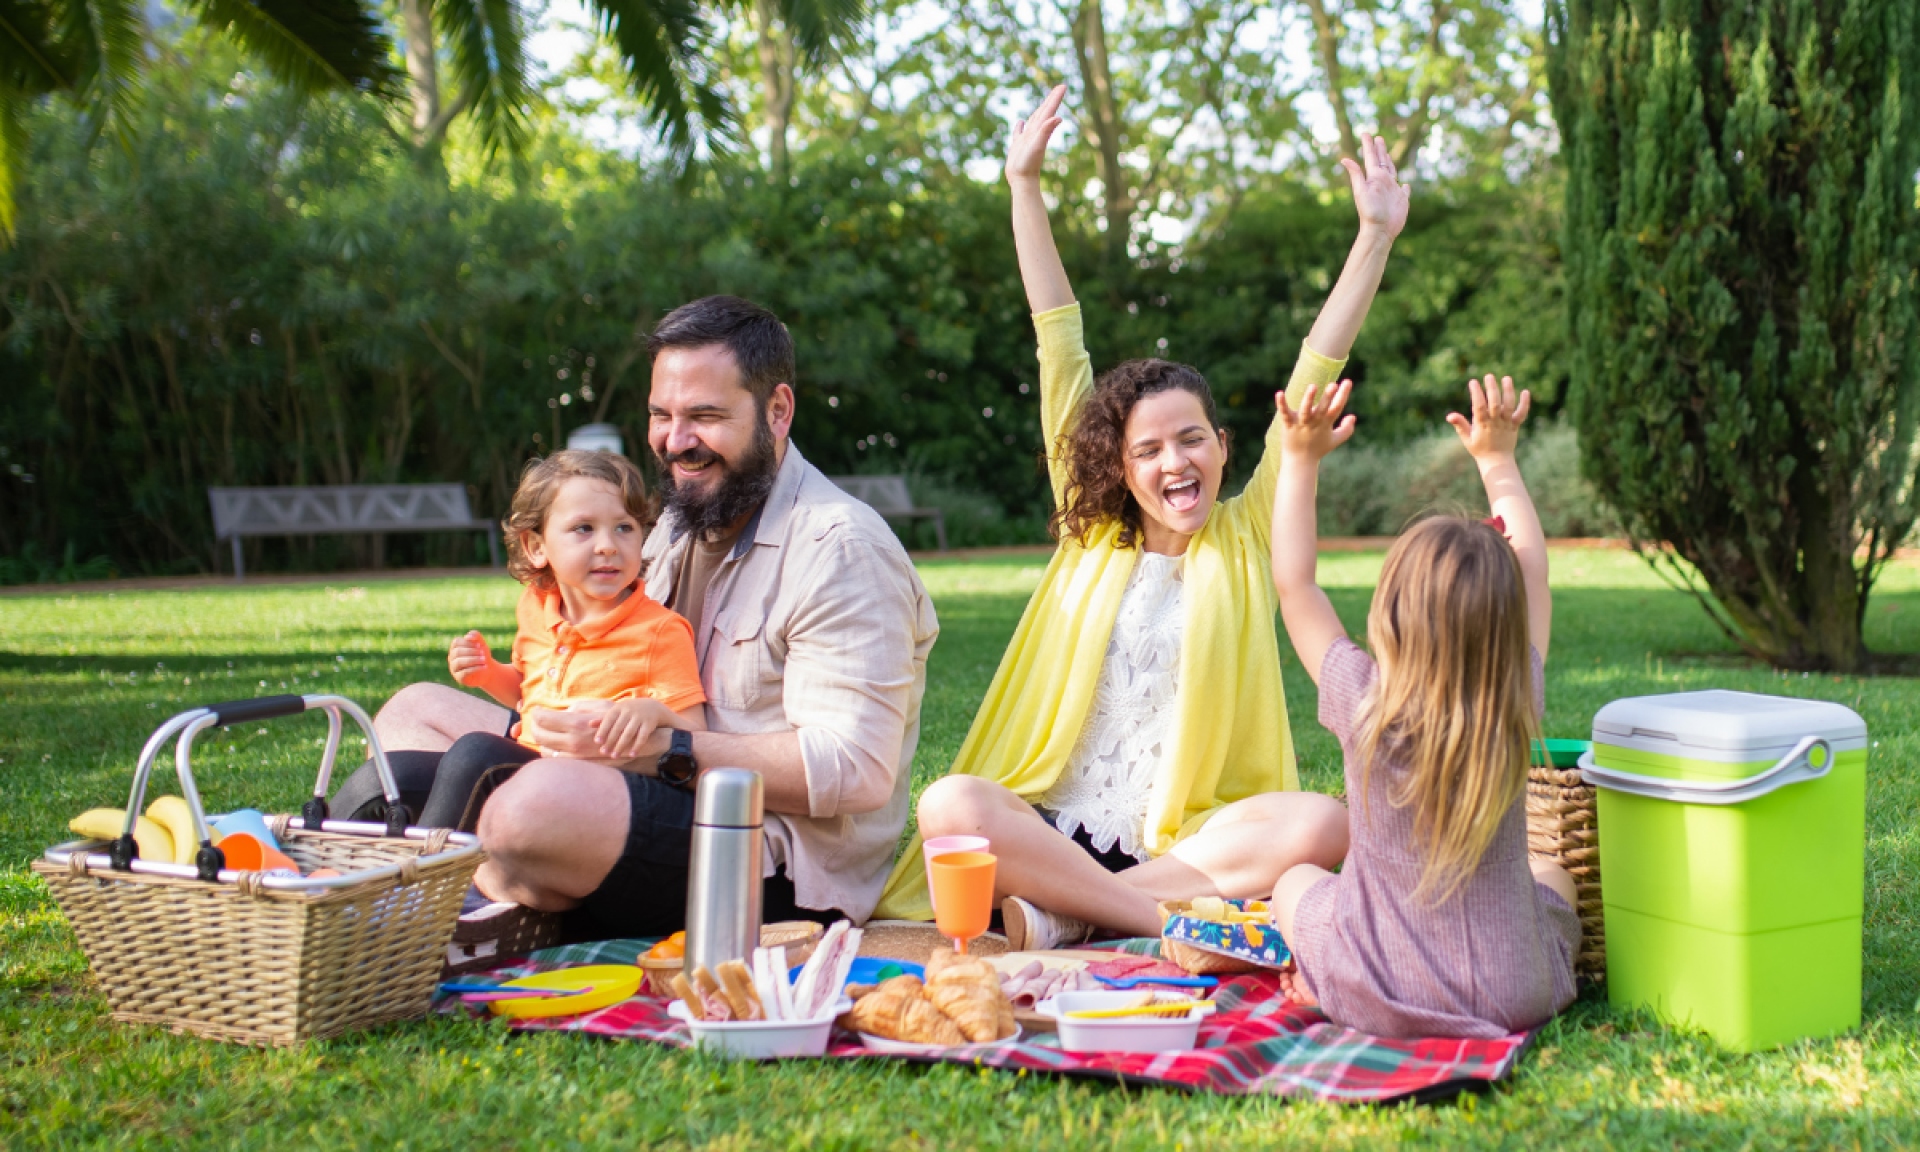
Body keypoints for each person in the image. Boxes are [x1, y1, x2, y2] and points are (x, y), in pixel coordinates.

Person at [874, 83, 1409, 948]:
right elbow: (1058, 337)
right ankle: (1149, 921)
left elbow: (1316, 367)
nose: (1174, 462)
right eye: (1149, 451)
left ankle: (1062, 917)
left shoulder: (1246, 535)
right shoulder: (1090, 529)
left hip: (1184, 845)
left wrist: (1374, 236)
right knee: (951, 803)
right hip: (1051, 826)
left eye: (1191, 440)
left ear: (1225, 447)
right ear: (1118, 469)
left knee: (1322, 823)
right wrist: (1024, 186)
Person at [348, 294, 939, 937]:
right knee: (409, 714)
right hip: (629, 775)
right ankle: (400, 887)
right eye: (662, 415)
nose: (676, 442)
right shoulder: (683, 521)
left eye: (705, 416)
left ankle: (458, 905)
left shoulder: (840, 546)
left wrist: (665, 749)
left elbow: (856, 772)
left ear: (777, 411)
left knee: (527, 810)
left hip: (763, 859)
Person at [1265, 372, 1580, 1038]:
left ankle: (1318, 979)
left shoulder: (1363, 699)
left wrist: (1299, 461)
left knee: (1294, 882)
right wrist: (1497, 461)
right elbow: (1534, 572)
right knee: (1552, 872)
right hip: (1512, 991)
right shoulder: (1513, 692)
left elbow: (1295, 587)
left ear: (1392, 614)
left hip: (1374, 986)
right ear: (1505, 623)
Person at [331, 449, 706, 833]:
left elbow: (697, 732)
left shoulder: (660, 631)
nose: (609, 545)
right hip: (528, 763)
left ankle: (423, 873)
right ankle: (319, 856)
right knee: (395, 772)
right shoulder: (536, 607)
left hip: (594, 792)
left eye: (624, 527)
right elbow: (529, 693)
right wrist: (488, 674)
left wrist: (652, 713)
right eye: (584, 528)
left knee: (475, 754)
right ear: (536, 546)